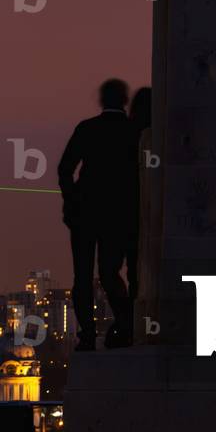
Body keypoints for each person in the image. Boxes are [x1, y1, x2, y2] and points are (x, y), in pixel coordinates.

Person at [58, 78, 137, 350]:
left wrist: (71, 200)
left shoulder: (87, 128)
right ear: (125, 101)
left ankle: (87, 335)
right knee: (109, 273)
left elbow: (64, 169)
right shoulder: (133, 132)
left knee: (82, 277)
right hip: (117, 215)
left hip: (85, 212)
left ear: (102, 100)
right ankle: (126, 323)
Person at [126, 86, 151, 306]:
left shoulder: (128, 136)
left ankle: (133, 313)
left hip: (129, 210)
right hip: (150, 210)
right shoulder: (160, 137)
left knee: (133, 268)